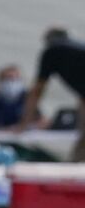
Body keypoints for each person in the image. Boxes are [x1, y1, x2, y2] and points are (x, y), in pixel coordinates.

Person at [23, 27, 85, 161]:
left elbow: (38, 90)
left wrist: (24, 123)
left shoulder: (53, 51)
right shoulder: (78, 49)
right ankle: (73, 169)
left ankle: (72, 171)